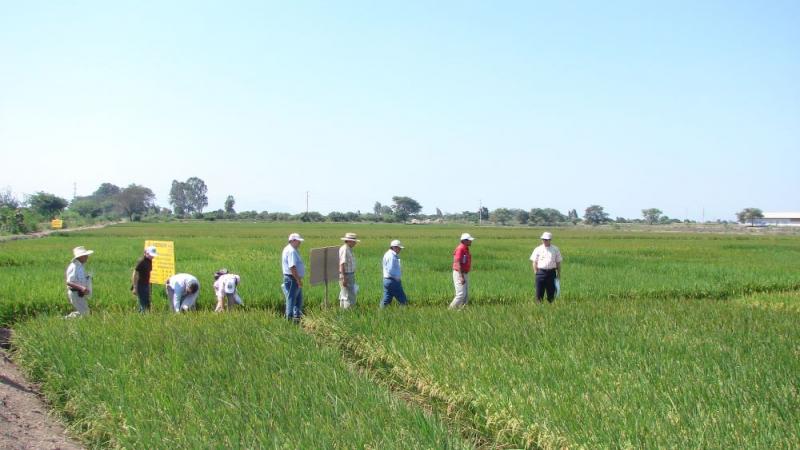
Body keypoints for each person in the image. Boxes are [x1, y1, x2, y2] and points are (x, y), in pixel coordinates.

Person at [530, 231, 562, 303]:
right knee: (539, 295)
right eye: (543, 239)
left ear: (550, 240)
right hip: (540, 273)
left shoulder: (555, 249)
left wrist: (558, 274)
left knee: (551, 295)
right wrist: (536, 273)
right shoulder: (538, 249)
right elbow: (534, 262)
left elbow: (558, 263)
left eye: (546, 239)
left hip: (551, 273)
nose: (544, 241)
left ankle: (550, 307)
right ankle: (539, 307)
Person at [281, 232, 305, 321]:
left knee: (298, 299)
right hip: (292, 278)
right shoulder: (291, 251)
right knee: (291, 299)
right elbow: (292, 267)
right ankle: (289, 318)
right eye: (298, 241)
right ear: (293, 240)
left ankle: (297, 316)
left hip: (293, 278)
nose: (300, 243)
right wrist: (298, 280)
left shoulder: (290, 249)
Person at [65, 246, 94, 318]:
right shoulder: (74, 267)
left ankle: (66, 319)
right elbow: (69, 282)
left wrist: (87, 279)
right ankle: (64, 319)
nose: (87, 257)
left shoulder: (80, 266)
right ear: (80, 257)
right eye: (85, 256)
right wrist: (82, 288)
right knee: (85, 313)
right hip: (75, 293)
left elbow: (78, 280)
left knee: (84, 312)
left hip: (79, 294)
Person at [449, 233, 474, 309]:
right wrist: (461, 276)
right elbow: (457, 262)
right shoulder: (460, 249)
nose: (471, 241)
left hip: (465, 273)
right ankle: (450, 310)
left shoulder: (466, 248)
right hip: (459, 273)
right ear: (464, 241)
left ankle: (462, 311)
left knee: (466, 295)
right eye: (469, 240)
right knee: (460, 294)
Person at [381, 239, 408, 308]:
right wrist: (396, 278)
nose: (400, 250)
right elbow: (390, 270)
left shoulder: (389, 254)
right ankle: (403, 313)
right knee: (403, 301)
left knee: (386, 300)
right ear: (394, 247)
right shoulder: (391, 256)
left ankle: (381, 312)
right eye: (399, 248)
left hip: (387, 281)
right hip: (392, 281)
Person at [131, 246, 158, 312]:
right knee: (143, 304)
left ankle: (143, 314)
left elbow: (148, 274)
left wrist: (149, 285)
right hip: (140, 285)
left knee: (147, 303)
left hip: (146, 285)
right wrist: (135, 287)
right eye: (151, 255)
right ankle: (142, 315)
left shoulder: (149, 261)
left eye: (153, 255)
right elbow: (135, 274)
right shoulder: (141, 261)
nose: (152, 257)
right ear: (146, 253)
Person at [338, 232, 359, 308]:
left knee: (344, 295)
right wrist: (344, 278)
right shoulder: (345, 249)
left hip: (348, 274)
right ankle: (348, 312)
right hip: (347, 275)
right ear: (349, 241)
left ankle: (343, 311)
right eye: (354, 241)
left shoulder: (348, 249)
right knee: (349, 296)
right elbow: (342, 264)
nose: (355, 243)